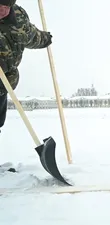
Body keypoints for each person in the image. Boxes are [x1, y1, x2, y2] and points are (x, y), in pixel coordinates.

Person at [0, 0, 53, 172]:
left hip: (4, 84)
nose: (2, 10)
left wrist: (45, 39)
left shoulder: (19, 17)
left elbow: (29, 35)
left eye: (6, 7)